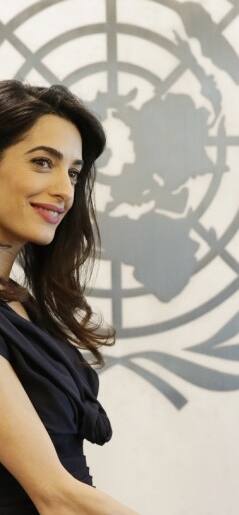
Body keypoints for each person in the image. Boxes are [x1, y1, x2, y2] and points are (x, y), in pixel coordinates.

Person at [0, 80, 137, 513]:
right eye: (43, 162)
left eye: (74, 173)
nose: (64, 190)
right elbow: (56, 496)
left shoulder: (23, 305)